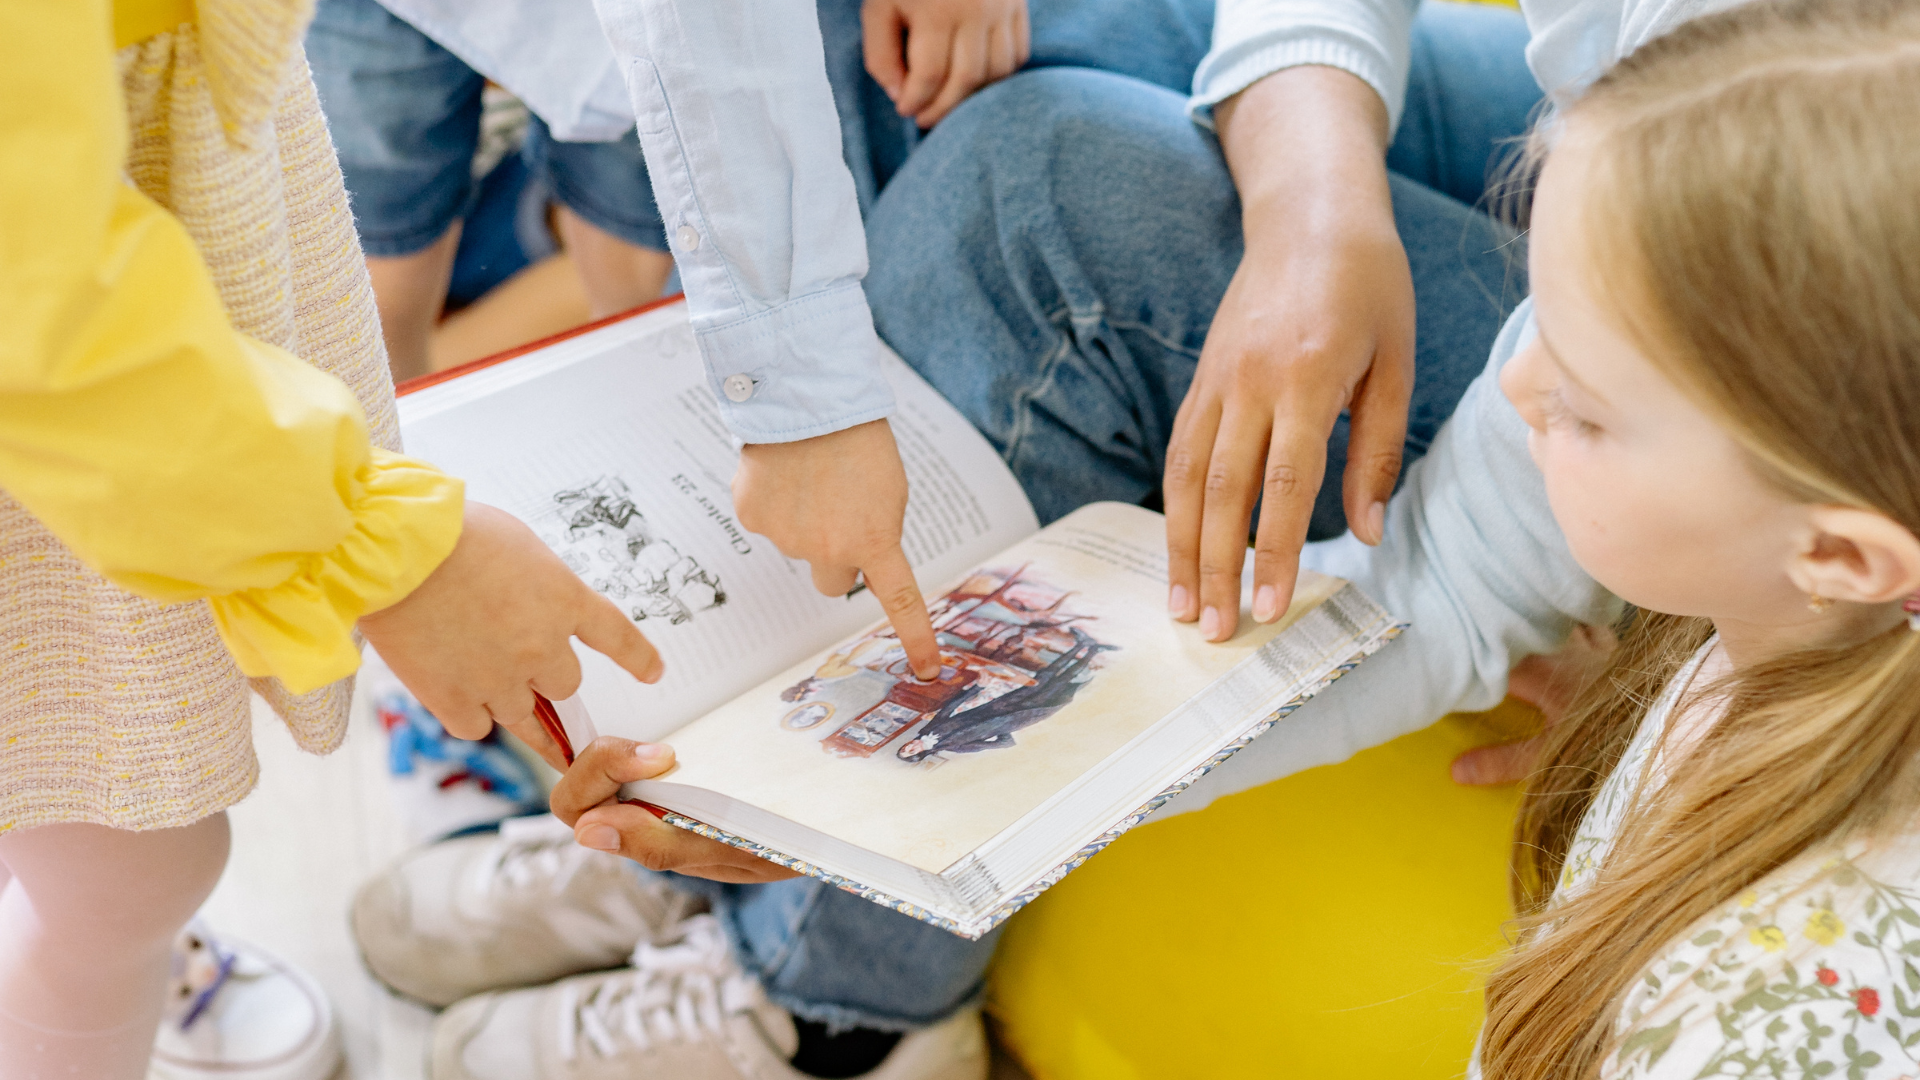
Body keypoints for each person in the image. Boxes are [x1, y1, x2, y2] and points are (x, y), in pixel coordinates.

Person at [346, 4, 1548, 1079]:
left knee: (1033, 196)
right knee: (1021, 43)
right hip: (1598, 132)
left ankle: (842, 1008)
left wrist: (887, 818)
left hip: (1666, 296)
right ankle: (731, 827)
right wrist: (1311, 205)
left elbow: (1467, 580)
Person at [0, 2, 668, 1077]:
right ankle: (82, 960)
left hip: (115, 253)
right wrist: (384, 549)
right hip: (76, 344)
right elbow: (30, 283)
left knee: (70, 807)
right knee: (131, 864)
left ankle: (67, 922)